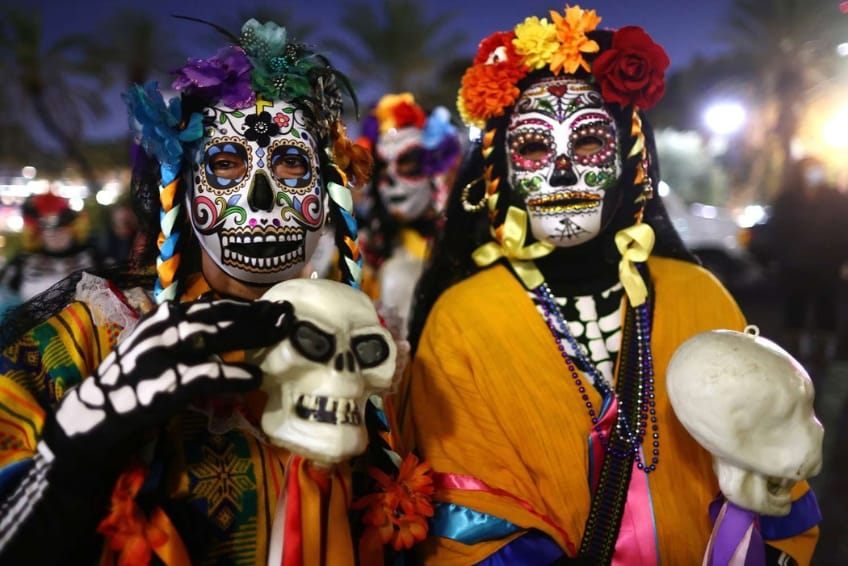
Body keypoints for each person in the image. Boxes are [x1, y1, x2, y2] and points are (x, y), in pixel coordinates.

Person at [399, 6, 821, 564]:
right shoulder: (463, 318)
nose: (564, 173)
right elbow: (470, 507)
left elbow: (771, 460)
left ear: (631, 159)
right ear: (500, 169)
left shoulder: (699, 294)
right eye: (532, 147)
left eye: (590, 142)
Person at [0, 17, 412, 565]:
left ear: (328, 192)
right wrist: (73, 453)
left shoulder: (371, 341)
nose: (262, 200)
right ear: (184, 192)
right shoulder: (94, 335)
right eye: (224, 165)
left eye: (291, 164)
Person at [356, 93, 461, 333]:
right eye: (382, 167)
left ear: (437, 169)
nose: (391, 180)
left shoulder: (467, 243)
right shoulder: (358, 252)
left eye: (407, 163)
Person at [767, 156, 848, 376]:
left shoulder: (835, 199)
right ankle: (794, 356)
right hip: (795, 267)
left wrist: (842, 260)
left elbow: (843, 230)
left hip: (827, 265)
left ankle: (823, 357)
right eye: (809, 169)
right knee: (795, 310)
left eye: (817, 169)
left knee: (826, 310)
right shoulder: (788, 199)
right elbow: (777, 231)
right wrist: (780, 258)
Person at [0, 191, 101, 303]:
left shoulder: (93, 256)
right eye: (47, 228)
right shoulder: (22, 261)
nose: (55, 233)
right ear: (38, 232)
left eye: (61, 227)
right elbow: (5, 297)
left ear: (72, 228)